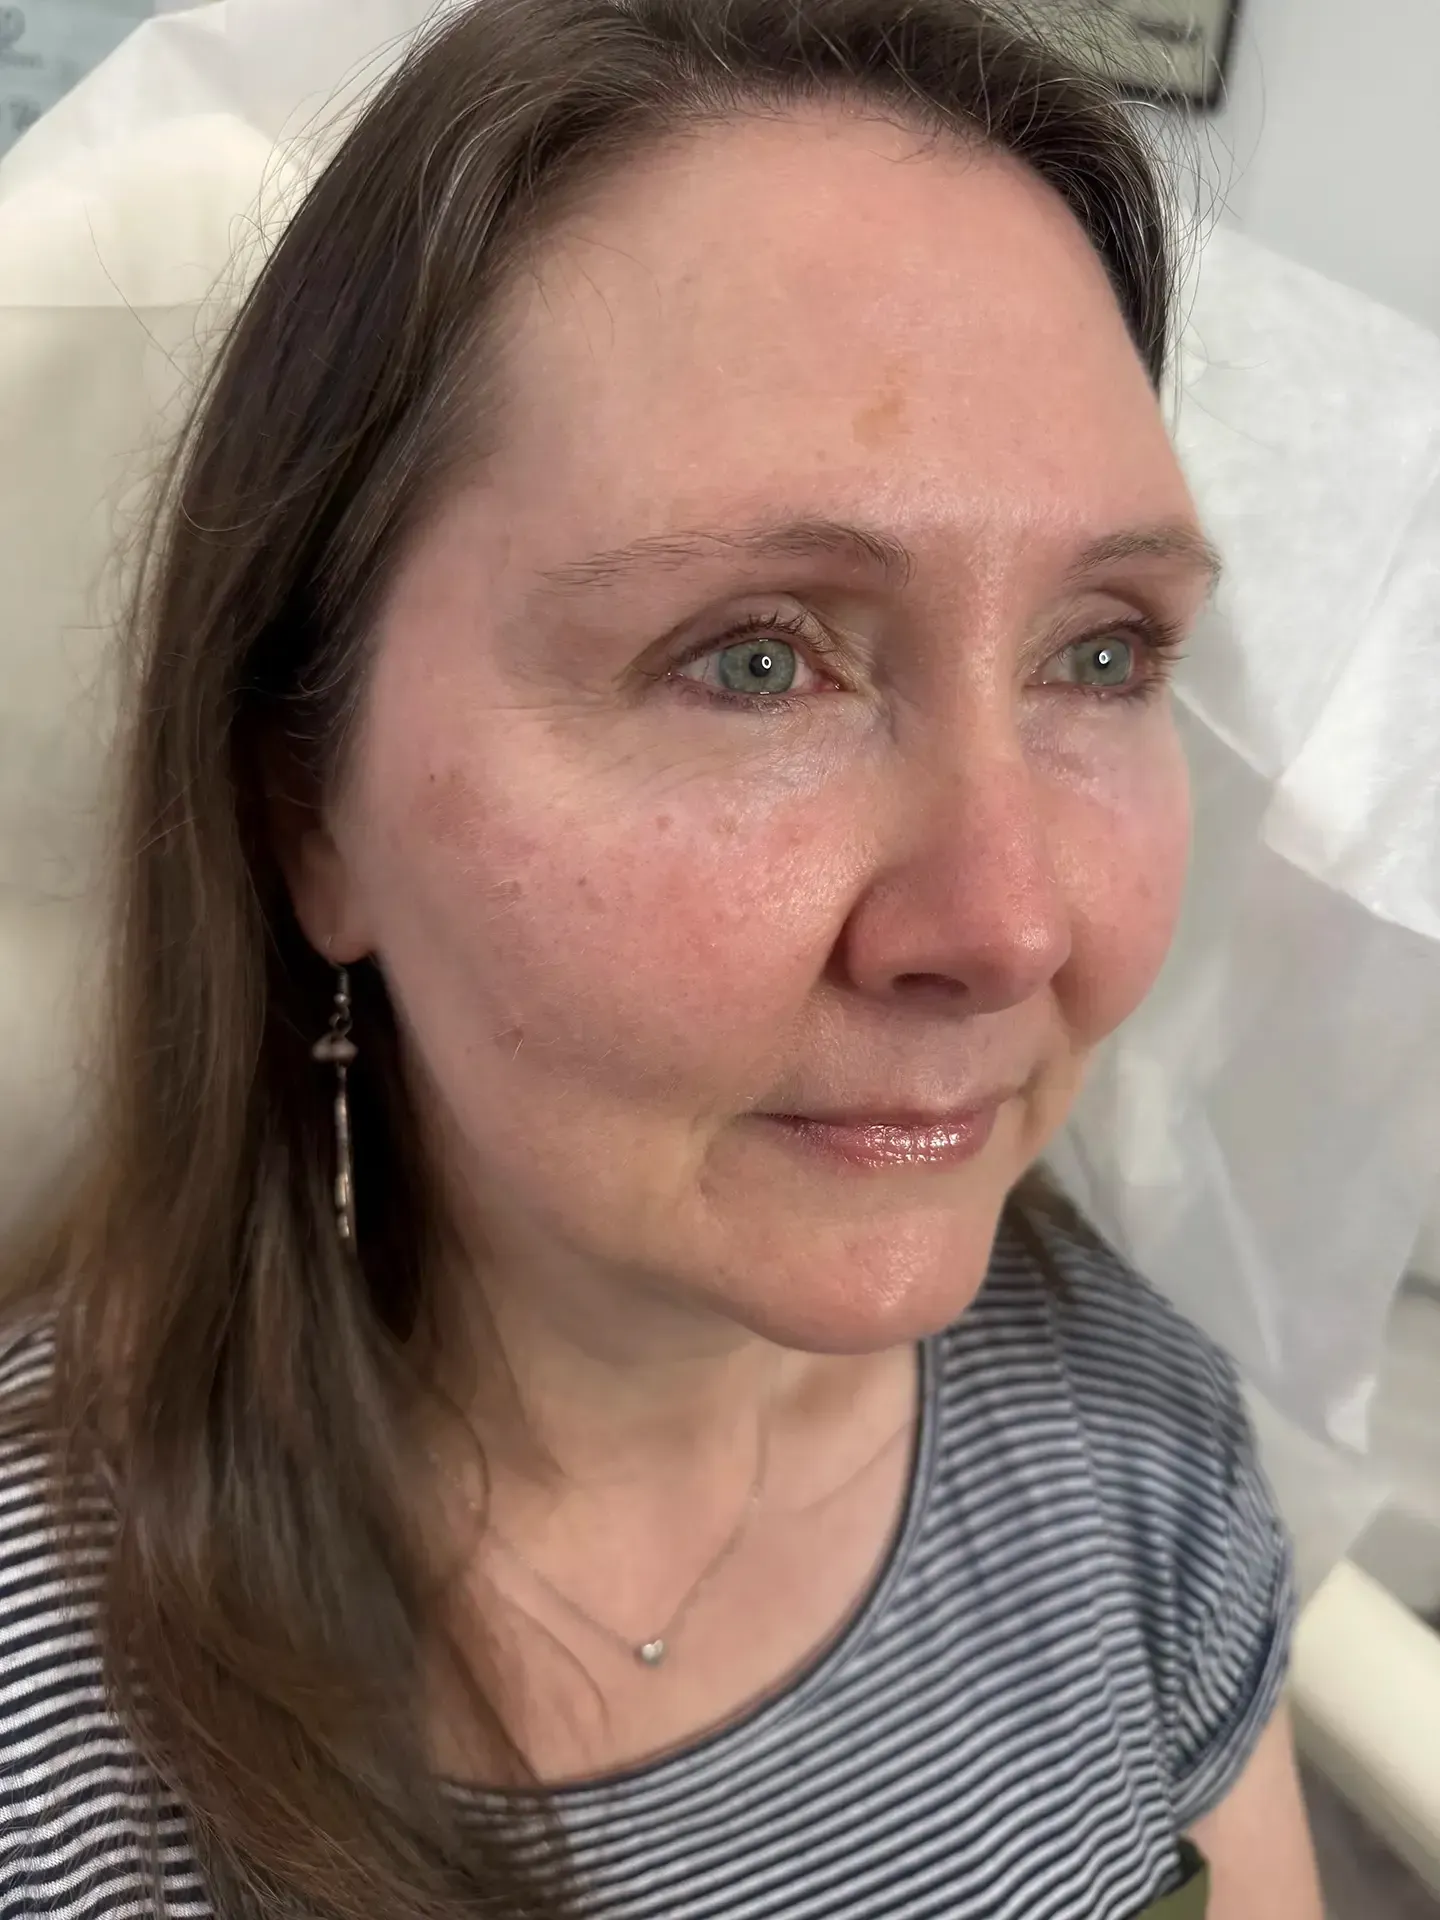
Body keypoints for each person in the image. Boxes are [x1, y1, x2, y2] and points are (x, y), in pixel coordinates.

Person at [0, 0, 1327, 1913]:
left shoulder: (1123, 1426)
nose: (1014, 923)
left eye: (1099, 652)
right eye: (757, 658)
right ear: (308, 807)